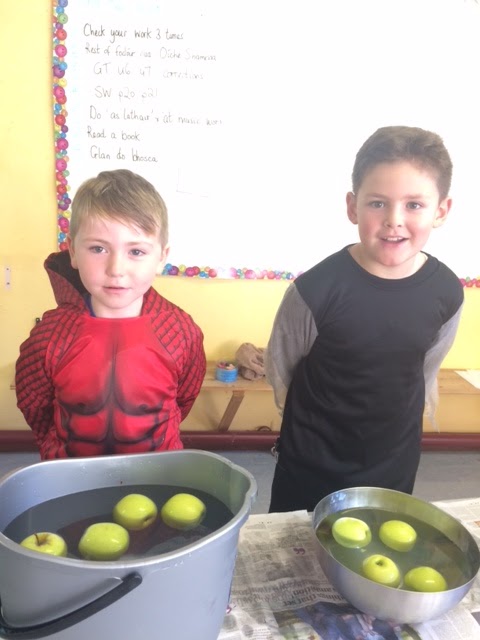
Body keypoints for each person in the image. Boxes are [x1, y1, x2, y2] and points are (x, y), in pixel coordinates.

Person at [266, 126, 464, 512]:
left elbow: (425, 368)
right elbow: (282, 370)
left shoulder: (446, 292)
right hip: (310, 464)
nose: (394, 220)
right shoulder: (314, 291)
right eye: (377, 203)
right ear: (352, 206)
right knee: (296, 543)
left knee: (380, 542)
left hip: (392, 464)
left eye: (414, 205)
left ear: (441, 210)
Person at [16, 169, 206, 460]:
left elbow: (183, 399)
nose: (116, 269)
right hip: (70, 473)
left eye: (136, 252)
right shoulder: (49, 336)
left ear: (161, 257)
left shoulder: (180, 332)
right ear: (73, 252)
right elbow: (35, 405)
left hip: (157, 472)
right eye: (98, 248)